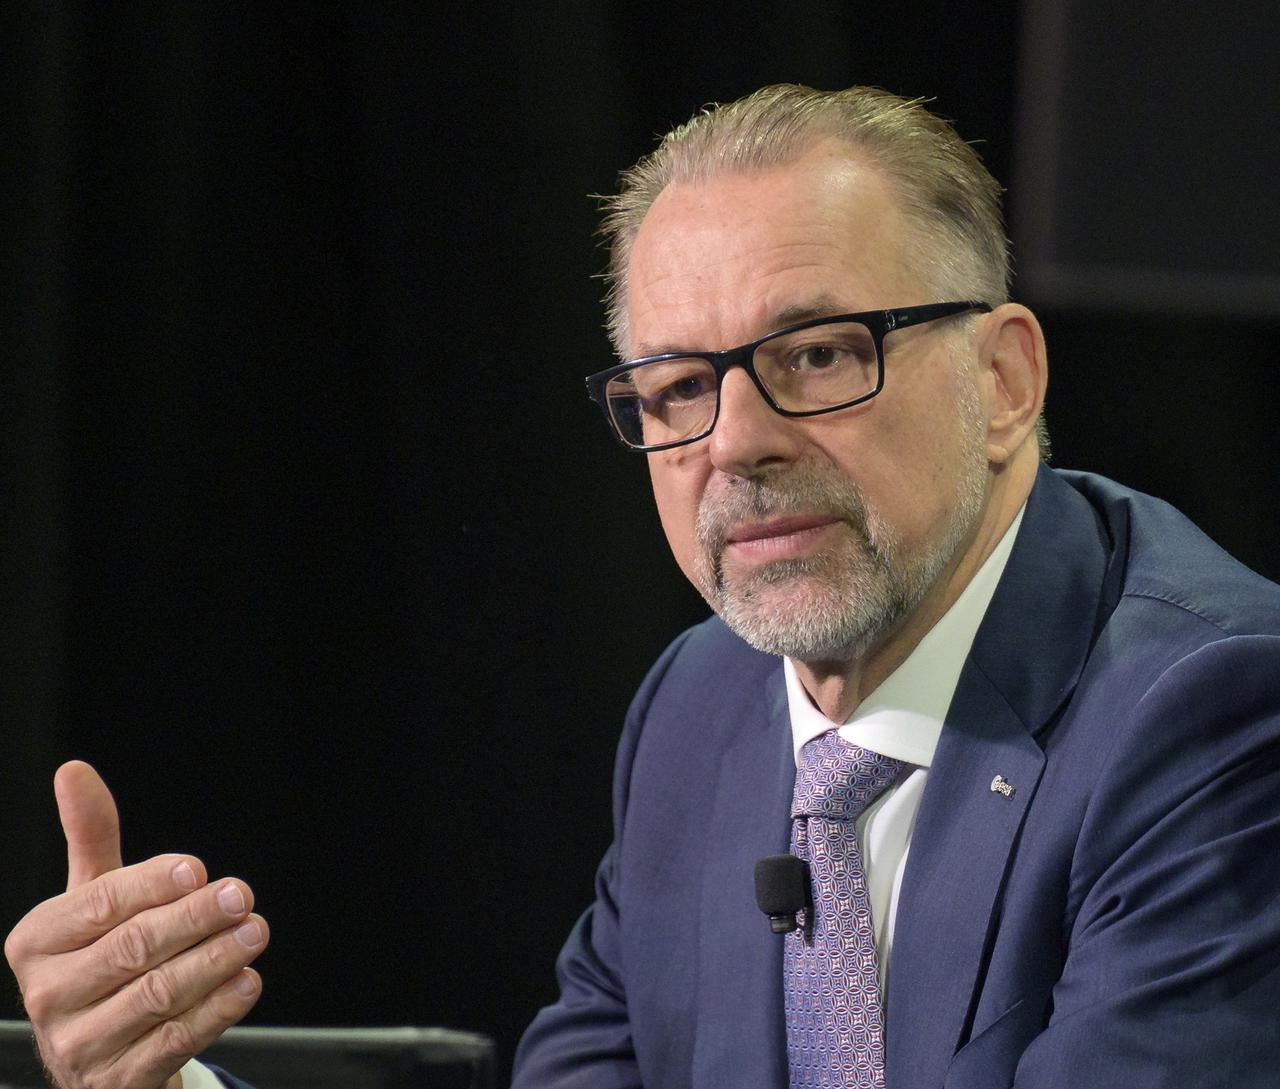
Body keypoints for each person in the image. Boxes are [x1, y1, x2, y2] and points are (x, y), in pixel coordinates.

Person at [7, 83, 1280, 1089]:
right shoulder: (702, 704)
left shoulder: (1213, 720)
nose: (734, 443)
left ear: (1001, 382)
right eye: (676, 387)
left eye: (816, 353)